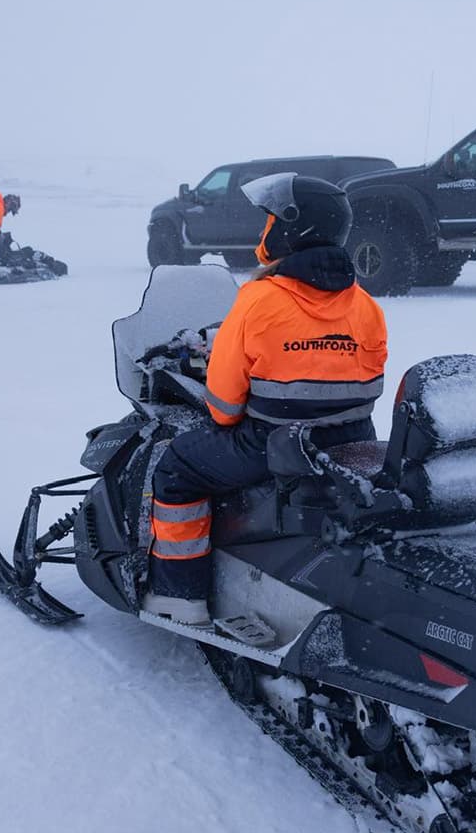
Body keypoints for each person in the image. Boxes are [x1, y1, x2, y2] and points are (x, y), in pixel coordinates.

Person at [144, 174, 387, 626]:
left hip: (272, 444)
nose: (264, 231)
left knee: (177, 469)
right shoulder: (366, 305)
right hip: (353, 442)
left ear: (291, 229)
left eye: (270, 220)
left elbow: (222, 405)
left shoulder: (259, 299)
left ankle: (180, 596)